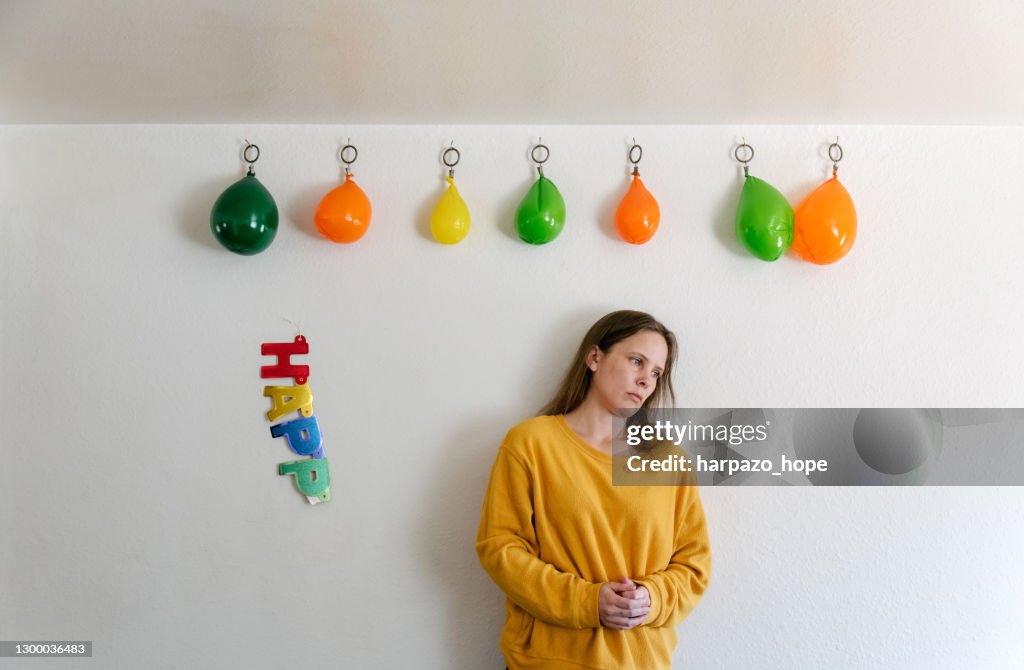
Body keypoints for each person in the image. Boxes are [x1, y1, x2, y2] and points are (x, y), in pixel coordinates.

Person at [475, 310, 712, 669]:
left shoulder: (668, 460)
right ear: (594, 357)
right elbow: (500, 547)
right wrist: (587, 602)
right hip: (545, 662)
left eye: (656, 373)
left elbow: (694, 566)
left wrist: (651, 598)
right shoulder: (531, 443)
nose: (646, 381)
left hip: (639, 662)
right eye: (636, 361)